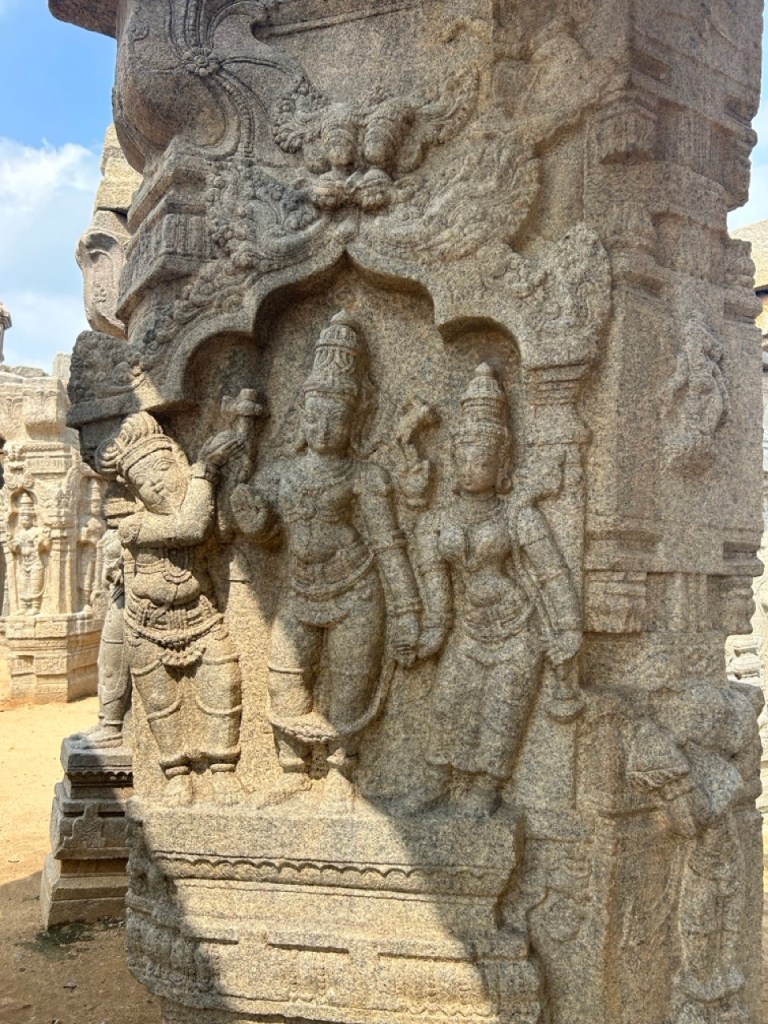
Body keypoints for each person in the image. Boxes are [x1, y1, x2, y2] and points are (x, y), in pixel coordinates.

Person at [233, 310, 421, 797]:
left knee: (349, 686)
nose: (323, 426)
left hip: (357, 589)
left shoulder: (366, 477)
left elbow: (389, 546)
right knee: (285, 677)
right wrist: (255, 519)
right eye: (314, 414)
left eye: (335, 416)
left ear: (355, 418)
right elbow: (265, 532)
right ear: (302, 414)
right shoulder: (280, 473)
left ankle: (340, 772)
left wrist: (406, 610)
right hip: (299, 590)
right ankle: (293, 773)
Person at [414, 364, 581, 816]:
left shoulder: (518, 516)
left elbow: (551, 574)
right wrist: (428, 635)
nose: (471, 469)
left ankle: (485, 788)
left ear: (502, 464)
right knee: (451, 701)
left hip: (518, 630)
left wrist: (568, 630)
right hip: (469, 629)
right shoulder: (438, 521)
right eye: (464, 459)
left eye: (483, 461)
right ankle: (440, 781)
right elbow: (436, 595)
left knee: (500, 713)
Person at [96, 411, 244, 804]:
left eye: (162, 470)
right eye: (144, 483)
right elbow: (190, 529)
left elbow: (224, 526)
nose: (157, 486)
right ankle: (176, 773)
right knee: (161, 707)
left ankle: (223, 770)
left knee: (222, 690)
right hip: (147, 628)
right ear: (135, 493)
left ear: (179, 460)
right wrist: (207, 470)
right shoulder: (135, 526)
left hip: (202, 618)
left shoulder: (204, 502)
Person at [9, 492, 51, 615]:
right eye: (21, 517)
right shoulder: (19, 533)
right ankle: (23, 606)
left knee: (35, 582)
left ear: (33, 518)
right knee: (23, 583)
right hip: (23, 563)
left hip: (36, 562)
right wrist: (16, 546)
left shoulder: (38, 531)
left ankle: (35, 606)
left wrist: (42, 541)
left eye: (26, 517)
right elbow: (13, 545)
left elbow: (45, 546)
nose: (23, 520)